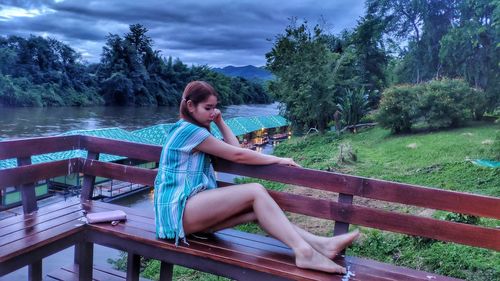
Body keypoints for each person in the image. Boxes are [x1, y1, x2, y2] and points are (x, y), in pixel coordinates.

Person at [154, 81, 359, 274]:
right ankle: (304, 252)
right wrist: (277, 160)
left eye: (215, 108)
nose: (212, 112)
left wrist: (220, 121)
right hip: (177, 214)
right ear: (190, 105)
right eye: (208, 108)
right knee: (255, 190)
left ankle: (321, 244)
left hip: (186, 216)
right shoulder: (188, 131)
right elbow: (238, 155)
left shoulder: (198, 131)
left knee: (256, 210)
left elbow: (234, 148)